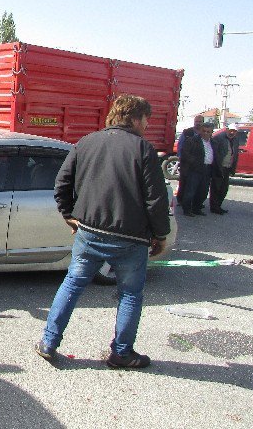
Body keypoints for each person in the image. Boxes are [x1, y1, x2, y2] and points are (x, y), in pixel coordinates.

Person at [36, 95, 170, 368]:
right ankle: (121, 353)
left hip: (89, 232)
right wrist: (160, 235)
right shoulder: (144, 150)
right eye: (145, 119)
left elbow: (61, 183)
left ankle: (48, 342)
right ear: (133, 118)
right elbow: (156, 200)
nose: (147, 125)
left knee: (72, 284)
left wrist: (68, 215)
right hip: (130, 239)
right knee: (130, 294)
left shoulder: (87, 142)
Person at [180, 123, 214, 217]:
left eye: (208, 132)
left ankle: (197, 208)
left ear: (211, 132)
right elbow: (185, 153)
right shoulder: (192, 140)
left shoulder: (213, 142)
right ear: (200, 131)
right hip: (194, 169)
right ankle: (186, 209)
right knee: (190, 191)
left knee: (203, 191)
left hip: (207, 170)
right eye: (204, 131)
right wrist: (195, 163)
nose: (206, 133)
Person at [210, 123, 240, 214]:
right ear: (227, 129)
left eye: (234, 131)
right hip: (219, 167)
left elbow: (235, 154)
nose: (232, 132)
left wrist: (233, 169)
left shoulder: (235, 140)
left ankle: (218, 206)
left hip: (228, 167)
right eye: (231, 130)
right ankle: (214, 207)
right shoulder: (218, 138)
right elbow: (215, 154)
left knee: (224, 189)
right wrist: (216, 167)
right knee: (216, 188)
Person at [176, 115, 204, 203]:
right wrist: (180, 158)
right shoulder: (187, 132)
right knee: (184, 182)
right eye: (196, 121)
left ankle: (192, 201)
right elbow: (180, 146)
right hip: (186, 162)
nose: (198, 123)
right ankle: (180, 200)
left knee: (195, 184)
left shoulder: (204, 133)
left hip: (198, 163)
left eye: (200, 122)